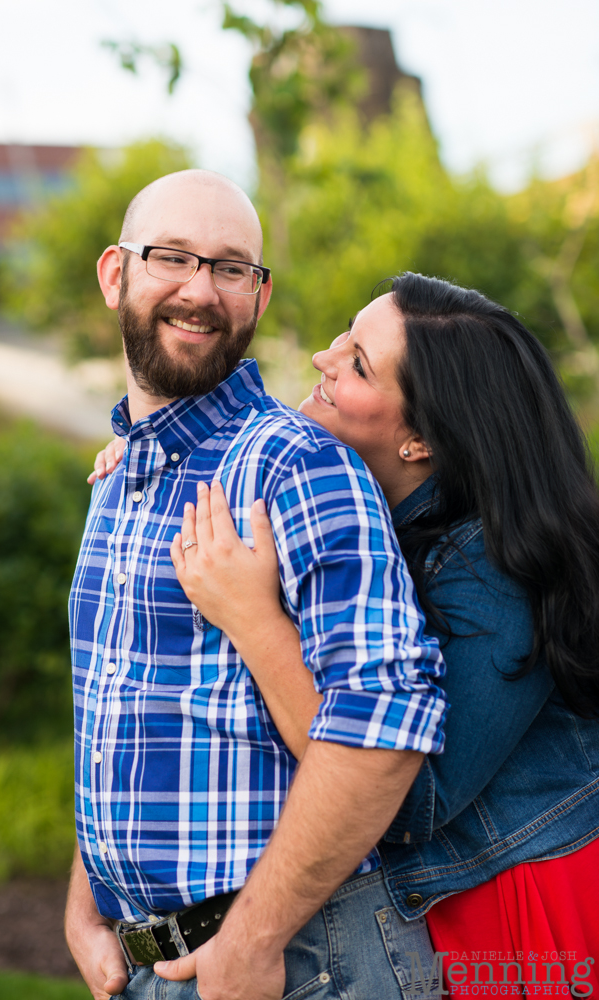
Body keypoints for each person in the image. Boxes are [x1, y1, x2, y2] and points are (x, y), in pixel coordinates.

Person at [95, 271, 599, 993]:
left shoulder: (498, 572)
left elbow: (405, 801)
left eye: (358, 363)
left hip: (507, 912)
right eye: (344, 337)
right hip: (416, 910)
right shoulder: (358, 518)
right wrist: (137, 455)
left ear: (421, 439)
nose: (322, 361)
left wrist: (253, 620)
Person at [65, 169, 448, 1000]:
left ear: (259, 296)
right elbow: (120, 701)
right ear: (114, 274)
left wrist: (252, 938)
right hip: (148, 963)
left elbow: (385, 729)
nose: (200, 290)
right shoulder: (121, 474)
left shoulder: (296, 466)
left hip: (298, 964)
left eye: (231, 267)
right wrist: (82, 900)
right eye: (173, 257)